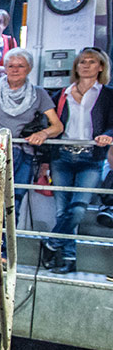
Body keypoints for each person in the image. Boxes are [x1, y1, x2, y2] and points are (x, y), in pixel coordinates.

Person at [0, 48, 62, 224]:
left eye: (20, 66)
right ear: (4, 68)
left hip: (23, 152)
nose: (15, 69)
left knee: (14, 203)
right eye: (10, 65)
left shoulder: (39, 93)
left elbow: (57, 126)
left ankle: (5, 249)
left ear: (29, 68)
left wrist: (43, 133)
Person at [41, 47, 113, 274]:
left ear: (101, 66)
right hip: (62, 155)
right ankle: (69, 258)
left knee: (79, 208)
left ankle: (51, 243)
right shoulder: (63, 93)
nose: (86, 65)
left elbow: (111, 123)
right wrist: (44, 161)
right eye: (82, 62)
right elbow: (50, 126)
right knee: (63, 210)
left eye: (92, 62)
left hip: (91, 157)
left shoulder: (108, 94)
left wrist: (107, 135)